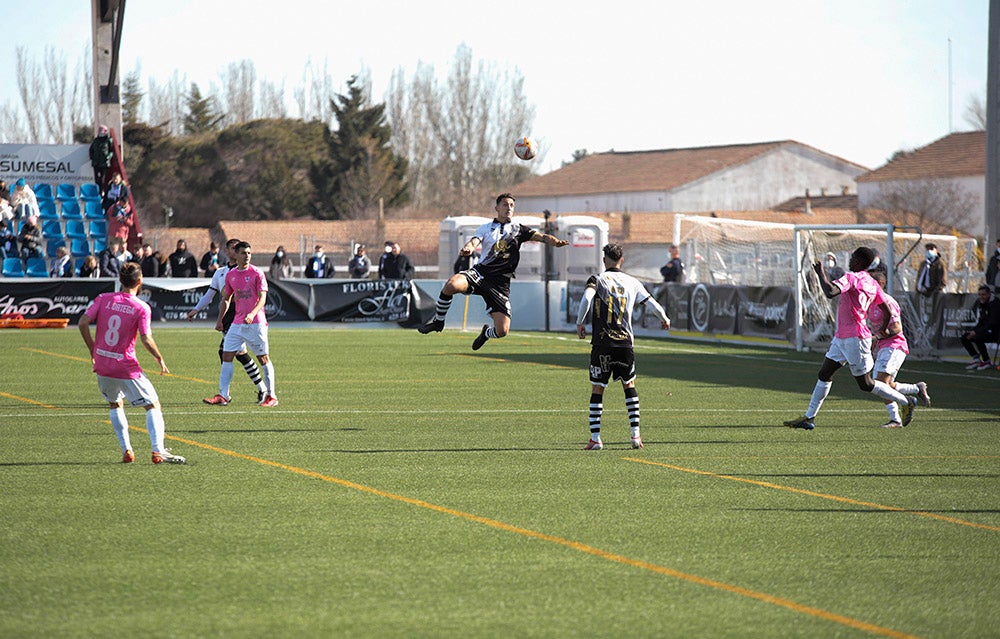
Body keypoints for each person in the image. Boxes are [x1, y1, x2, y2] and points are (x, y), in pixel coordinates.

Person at [783, 246, 916, 431]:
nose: (850, 260)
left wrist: (820, 274)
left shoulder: (852, 277)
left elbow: (830, 292)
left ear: (861, 262)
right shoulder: (872, 283)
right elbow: (885, 310)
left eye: (853, 257)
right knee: (824, 373)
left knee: (866, 384)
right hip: (843, 337)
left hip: (855, 338)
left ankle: (905, 400)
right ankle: (809, 417)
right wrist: (884, 329)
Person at [418, 193, 569, 350]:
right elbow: (475, 240)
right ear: (497, 208)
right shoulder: (486, 228)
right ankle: (438, 322)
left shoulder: (519, 229)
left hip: (500, 283)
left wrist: (555, 242)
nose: (509, 208)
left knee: (502, 331)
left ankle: (486, 334)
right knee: (451, 285)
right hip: (480, 273)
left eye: (511, 205)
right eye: (505, 205)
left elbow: (542, 237)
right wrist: (469, 247)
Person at [78, 261, 186, 464]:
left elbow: (83, 323)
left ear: (120, 280)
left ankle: (126, 450)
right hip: (125, 365)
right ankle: (158, 450)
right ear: (140, 281)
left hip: (102, 363)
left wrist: (93, 349)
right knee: (153, 406)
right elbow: (146, 338)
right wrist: (159, 358)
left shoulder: (103, 298)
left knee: (115, 403)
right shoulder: (141, 307)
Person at [576, 243, 670, 450]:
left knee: (598, 388)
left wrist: (580, 322)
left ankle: (595, 438)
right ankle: (636, 436)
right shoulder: (632, 281)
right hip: (625, 343)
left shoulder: (597, 279)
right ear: (622, 260)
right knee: (629, 385)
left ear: (604, 260)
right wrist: (664, 318)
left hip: (602, 342)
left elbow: (587, 298)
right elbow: (652, 303)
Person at [187, 238, 268, 404]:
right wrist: (196, 309)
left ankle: (230, 394)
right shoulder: (222, 273)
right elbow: (211, 295)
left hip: (243, 317)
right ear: (229, 251)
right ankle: (255, 390)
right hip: (230, 318)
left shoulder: (246, 271)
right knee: (236, 353)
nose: (235, 250)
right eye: (232, 248)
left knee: (234, 353)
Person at [204, 241, 278, 407]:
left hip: (256, 323)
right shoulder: (231, 275)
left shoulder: (257, 273)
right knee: (226, 355)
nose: (247, 256)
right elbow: (226, 298)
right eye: (243, 253)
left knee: (263, 358)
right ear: (235, 255)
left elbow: (263, 298)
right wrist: (220, 319)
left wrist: (252, 313)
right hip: (237, 323)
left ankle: (271, 395)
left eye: (249, 253)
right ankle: (223, 395)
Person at [867, 270, 931, 427]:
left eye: (869, 282)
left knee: (879, 383)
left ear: (880, 284)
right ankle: (916, 388)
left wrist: (877, 338)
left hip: (894, 346)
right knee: (884, 385)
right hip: (884, 347)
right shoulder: (870, 302)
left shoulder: (888, 302)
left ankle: (896, 418)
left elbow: (897, 328)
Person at [959, 284, 1000, 371]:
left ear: (989, 294)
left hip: (996, 332)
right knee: (965, 337)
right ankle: (976, 359)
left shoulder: (995, 304)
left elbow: (993, 323)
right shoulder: (982, 304)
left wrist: (977, 332)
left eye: (983, 295)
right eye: (980, 295)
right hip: (987, 330)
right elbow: (981, 321)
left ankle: (986, 361)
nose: (981, 297)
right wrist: (974, 330)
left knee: (978, 337)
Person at [88, 125, 114, 191]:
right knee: (96, 178)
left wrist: (108, 157)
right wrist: (92, 157)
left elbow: (111, 151)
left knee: (102, 178)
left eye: (102, 131)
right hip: (96, 162)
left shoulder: (108, 140)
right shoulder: (96, 140)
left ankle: (101, 191)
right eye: (100, 131)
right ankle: (97, 191)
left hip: (104, 162)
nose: (101, 133)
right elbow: (91, 150)